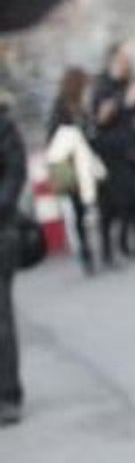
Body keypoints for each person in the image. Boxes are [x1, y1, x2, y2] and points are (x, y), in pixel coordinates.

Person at [91, 43, 135, 265]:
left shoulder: (127, 82)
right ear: (115, 59)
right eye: (126, 58)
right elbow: (101, 118)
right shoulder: (101, 85)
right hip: (110, 153)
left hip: (131, 148)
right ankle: (109, 251)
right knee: (112, 204)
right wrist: (124, 101)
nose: (129, 62)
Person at [46, 67, 97, 274]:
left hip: (86, 163)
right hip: (71, 166)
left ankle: (91, 250)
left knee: (85, 208)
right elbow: (54, 137)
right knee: (78, 209)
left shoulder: (81, 107)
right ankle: (85, 252)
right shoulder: (61, 107)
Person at [0, 92, 28, 427]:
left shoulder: (4, 125)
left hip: (1, 233)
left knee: (1, 317)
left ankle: (8, 393)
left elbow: (14, 174)